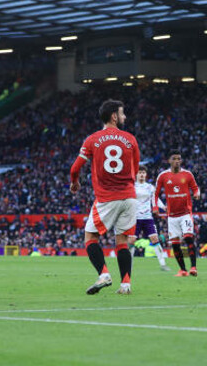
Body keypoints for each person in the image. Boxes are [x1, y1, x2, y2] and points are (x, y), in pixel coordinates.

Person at [69, 99, 139, 295]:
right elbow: (135, 166)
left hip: (107, 197)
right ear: (114, 116)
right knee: (122, 241)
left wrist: (75, 182)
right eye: (122, 113)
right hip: (130, 196)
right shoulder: (131, 139)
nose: (124, 117)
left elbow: (75, 168)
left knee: (90, 236)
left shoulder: (92, 140)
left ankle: (104, 274)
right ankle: (125, 285)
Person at [154, 150, 200, 277]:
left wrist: (197, 194)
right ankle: (183, 270)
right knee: (175, 244)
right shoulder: (163, 176)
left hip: (185, 213)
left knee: (188, 237)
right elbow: (156, 193)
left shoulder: (187, 174)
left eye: (179, 159)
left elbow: (195, 188)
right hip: (172, 215)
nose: (177, 161)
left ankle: (193, 267)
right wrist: (155, 207)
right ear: (169, 160)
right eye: (174, 158)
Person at [128, 165, 169, 271]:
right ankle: (128, 265)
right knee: (131, 241)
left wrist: (163, 207)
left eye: (143, 173)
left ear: (146, 175)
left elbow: (155, 199)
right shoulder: (132, 186)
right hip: (135, 218)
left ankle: (163, 264)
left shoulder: (150, 187)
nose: (141, 174)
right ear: (136, 174)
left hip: (147, 218)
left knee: (155, 239)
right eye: (140, 172)